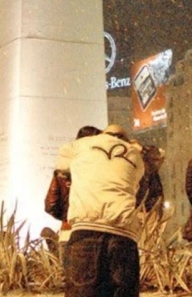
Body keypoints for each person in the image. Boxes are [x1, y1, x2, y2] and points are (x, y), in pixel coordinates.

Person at [56, 123, 145, 297]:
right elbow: (135, 182)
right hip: (123, 235)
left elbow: (61, 163)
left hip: (86, 231)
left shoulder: (82, 145)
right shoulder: (134, 154)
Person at [45, 125, 101, 266]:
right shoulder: (100, 169)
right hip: (96, 229)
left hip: (68, 230)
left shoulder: (62, 171)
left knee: (69, 278)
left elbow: (51, 204)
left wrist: (67, 217)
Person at [137, 143, 165, 213]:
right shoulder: (141, 175)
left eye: (158, 160)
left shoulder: (153, 175)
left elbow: (158, 194)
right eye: (154, 160)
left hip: (151, 212)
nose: (157, 163)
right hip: (142, 214)